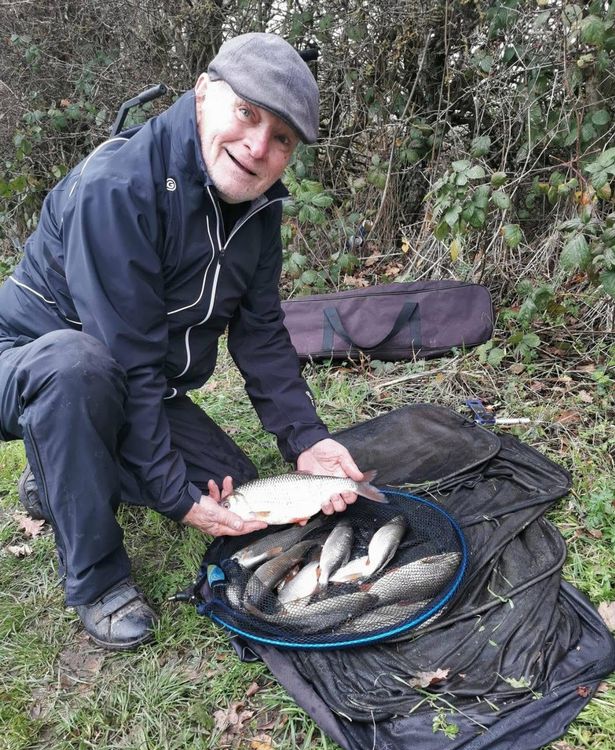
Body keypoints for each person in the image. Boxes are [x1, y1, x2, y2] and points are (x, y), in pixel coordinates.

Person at [0, 32, 365, 650]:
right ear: (203, 95)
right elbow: (125, 357)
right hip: (32, 362)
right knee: (77, 367)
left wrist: (307, 439)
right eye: (247, 114)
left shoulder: (257, 211)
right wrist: (172, 493)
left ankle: (59, 473)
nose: (257, 147)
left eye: (282, 139)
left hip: (126, 377)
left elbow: (262, 333)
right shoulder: (118, 186)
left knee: (234, 486)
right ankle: (96, 579)